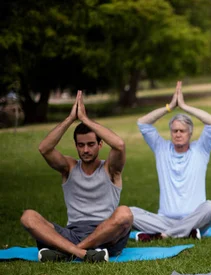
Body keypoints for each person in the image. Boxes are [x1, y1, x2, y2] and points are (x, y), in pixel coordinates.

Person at [20, 91, 133, 262]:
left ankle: (67, 252)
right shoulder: (69, 167)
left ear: (100, 144)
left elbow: (119, 145)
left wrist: (85, 119)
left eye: (90, 144)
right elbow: (44, 148)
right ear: (76, 146)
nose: (86, 150)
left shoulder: (111, 169)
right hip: (72, 233)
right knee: (28, 217)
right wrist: (70, 119)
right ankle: (84, 253)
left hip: (106, 235)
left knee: (125, 213)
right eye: (81, 145)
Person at [130, 81, 211, 242]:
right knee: (128, 213)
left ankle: (164, 235)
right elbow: (143, 122)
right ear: (171, 132)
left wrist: (184, 106)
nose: (178, 134)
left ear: (190, 133)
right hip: (165, 219)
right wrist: (170, 106)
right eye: (174, 130)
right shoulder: (161, 148)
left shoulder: (201, 149)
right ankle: (185, 232)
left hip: (195, 219)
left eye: (182, 131)